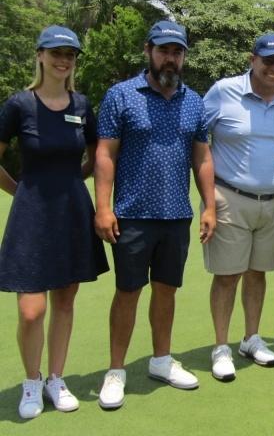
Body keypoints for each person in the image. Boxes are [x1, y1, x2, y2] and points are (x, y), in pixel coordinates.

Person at [94, 21, 216, 409]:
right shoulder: (122, 95)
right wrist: (103, 206)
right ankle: (116, 371)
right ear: (148, 50)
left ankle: (161, 360)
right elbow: (105, 154)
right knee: (128, 291)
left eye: (177, 51)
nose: (171, 57)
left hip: (176, 215)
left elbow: (202, 158)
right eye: (164, 50)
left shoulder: (193, 101)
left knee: (167, 290)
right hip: (131, 214)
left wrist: (210, 205)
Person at [0, 26, 109, 418]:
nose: (64, 60)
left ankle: (55, 379)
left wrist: (78, 184)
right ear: (40, 55)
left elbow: (98, 154)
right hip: (31, 213)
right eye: (57, 53)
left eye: (71, 55)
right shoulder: (18, 105)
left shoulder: (81, 104)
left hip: (72, 212)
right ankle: (31, 382)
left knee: (64, 301)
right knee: (31, 310)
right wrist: (19, 191)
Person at [203, 33, 274, 382]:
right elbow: (199, 142)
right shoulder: (223, 91)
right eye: (268, 61)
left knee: (258, 273)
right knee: (227, 277)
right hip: (230, 197)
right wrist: (208, 202)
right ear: (252, 59)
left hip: (272, 202)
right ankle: (220, 346)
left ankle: (250, 338)